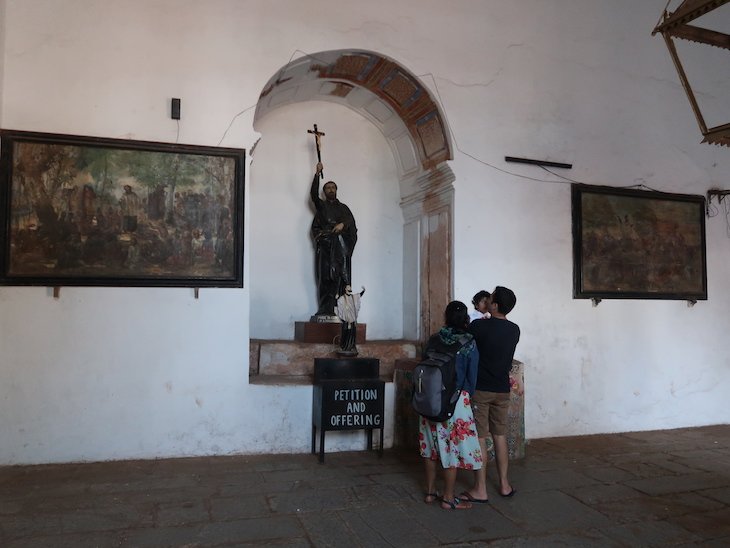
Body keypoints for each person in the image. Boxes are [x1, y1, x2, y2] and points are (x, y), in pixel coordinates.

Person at [419, 300, 482, 510]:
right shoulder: (468, 342)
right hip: (456, 402)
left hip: (430, 399)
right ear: (465, 318)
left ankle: (429, 493)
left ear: (446, 317)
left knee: (430, 447)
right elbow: (472, 378)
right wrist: (466, 397)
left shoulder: (434, 339)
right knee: (451, 450)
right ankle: (448, 497)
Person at [463, 286, 522, 503]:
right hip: (502, 391)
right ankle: (505, 485)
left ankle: (480, 489)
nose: (487, 301)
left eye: (491, 299)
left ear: (494, 305)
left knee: (480, 436)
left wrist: (483, 310)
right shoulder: (514, 330)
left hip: (481, 389)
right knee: (499, 436)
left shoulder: (479, 326)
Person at [310, 162, 357, 318]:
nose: (330, 189)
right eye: (328, 188)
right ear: (324, 191)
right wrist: (317, 175)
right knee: (325, 277)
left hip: (341, 248)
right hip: (326, 247)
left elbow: (351, 224)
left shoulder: (344, 208)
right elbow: (313, 196)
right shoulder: (322, 207)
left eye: (333, 187)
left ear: (336, 190)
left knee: (340, 278)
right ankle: (325, 309)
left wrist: (342, 225)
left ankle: (342, 310)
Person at [334, 285, 365, 355]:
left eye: (350, 288)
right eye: (348, 288)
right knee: (345, 333)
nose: (349, 289)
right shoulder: (342, 298)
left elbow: (359, 295)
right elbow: (338, 306)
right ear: (345, 289)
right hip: (345, 320)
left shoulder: (353, 297)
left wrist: (363, 291)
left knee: (352, 334)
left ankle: (351, 346)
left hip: (352, 319)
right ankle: (343, 346)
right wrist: (336, 299)